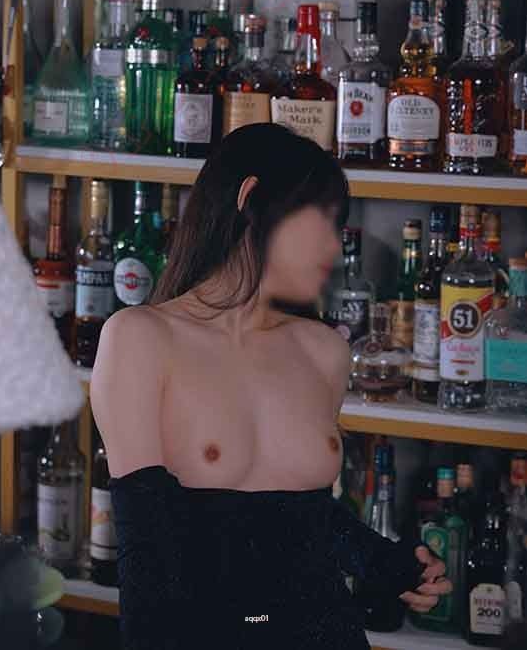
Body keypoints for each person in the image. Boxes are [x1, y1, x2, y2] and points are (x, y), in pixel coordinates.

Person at [91, 123, 451, 650]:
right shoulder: (140, 338)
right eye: (321, 221)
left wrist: (387, 562)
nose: (334, 245)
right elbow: (146, 561)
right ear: (250, 198)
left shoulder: (324, 351)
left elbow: (303, 518)